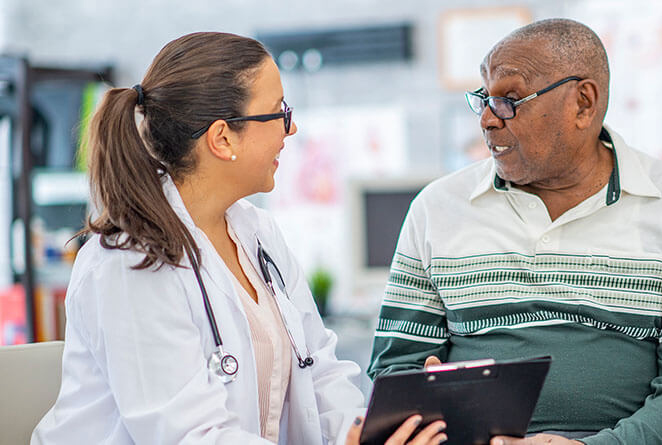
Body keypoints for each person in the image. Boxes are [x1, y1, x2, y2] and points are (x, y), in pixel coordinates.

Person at [31, 32, 446, 445]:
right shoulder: (130, 263)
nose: (291, 127)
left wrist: (365, 434)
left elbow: (320, 371)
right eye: (278, 112)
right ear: (222, 138)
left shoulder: (258, 233)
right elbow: (190, 437)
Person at [368, 19, 662, 445]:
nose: (486, 120)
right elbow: (396, 371)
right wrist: (428, 405)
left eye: (508, 100)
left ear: (583, 103)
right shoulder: (436, 209)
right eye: (484, 99)